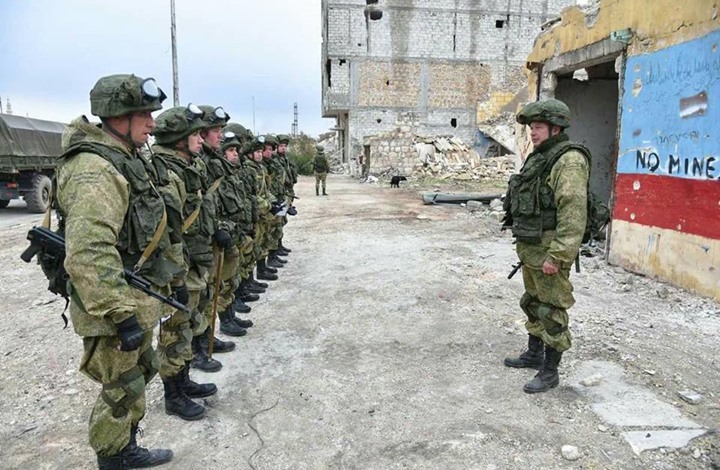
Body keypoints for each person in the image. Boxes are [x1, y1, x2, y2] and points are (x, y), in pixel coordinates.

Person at [56, 74, 177, 469]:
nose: (153, 124)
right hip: (112, 304)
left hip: (130, 296)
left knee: (138, 374)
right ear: (118, 117)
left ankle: (124, 447)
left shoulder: (124, 157)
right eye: (144, 115)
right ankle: (112, 459)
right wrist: (120, 315)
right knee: (120, 386)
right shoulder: (95, 169)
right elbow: (89, 250)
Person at [502, 98, 590, 394]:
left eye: (538, 127)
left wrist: (559, 256)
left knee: (551, 310)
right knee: (532, 302)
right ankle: (534, 354)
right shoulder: (540, 157)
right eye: (531, 127)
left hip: (550, 252)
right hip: (532, 249)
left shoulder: (569, 160)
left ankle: (550, 372)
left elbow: (573, 214)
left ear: (556, 128)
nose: (533, 132)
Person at [152, 104, 222, 420]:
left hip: (191, 259)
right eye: (195, 134)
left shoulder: (184, 166)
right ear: (179, 138)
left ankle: (182, 381)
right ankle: (172, 394)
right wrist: (176, 278)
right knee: (175, 328)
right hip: (177, 266)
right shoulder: (166, 172)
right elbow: (168, 231)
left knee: (186, 323)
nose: (201, 139)